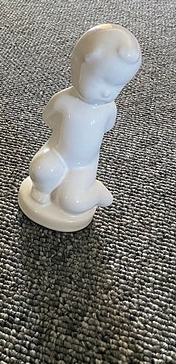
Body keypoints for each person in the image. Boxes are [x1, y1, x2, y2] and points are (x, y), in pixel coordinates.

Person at [19, 24, 141, 231]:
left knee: (72, 202)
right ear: (78, 65)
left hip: (84, 165)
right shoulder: (64, 100)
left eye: (117, 86)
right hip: (57, 153)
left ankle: (95, 191)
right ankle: (43, 191)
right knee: (40, 171)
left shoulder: (108, 108)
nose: (107, 93)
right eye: (100, 81)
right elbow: (48, 118)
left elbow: (104, 127)